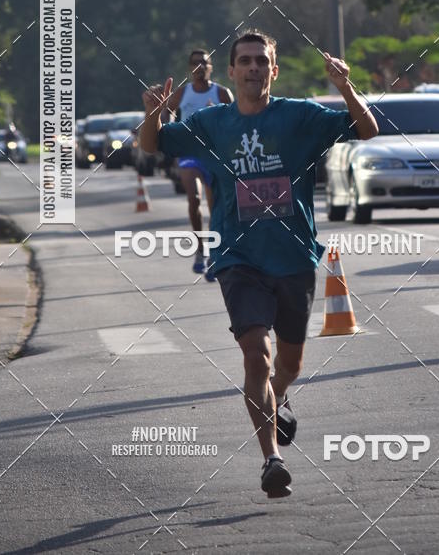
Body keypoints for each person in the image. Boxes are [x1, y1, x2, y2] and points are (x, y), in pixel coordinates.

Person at [140, 30, 379, 498]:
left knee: (288, 364)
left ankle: (279, 393)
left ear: (274, 70)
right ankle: (272, 458)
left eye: (261, 61)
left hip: (293, 258)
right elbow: (154, 144)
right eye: (245, 61)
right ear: (231, 71)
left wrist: (345, 87)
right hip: (238, 257)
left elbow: (367, 129)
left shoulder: (299, 116)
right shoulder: (212, 123)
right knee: (256, 353)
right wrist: (152, 111)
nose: (253, 67)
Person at [162, 49, 233, 278]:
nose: (200, 66)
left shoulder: (221, 93)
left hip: (213, 154)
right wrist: (169, 133)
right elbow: (167, 113)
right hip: (189, 153)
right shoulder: (183, 92)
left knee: (214, 208)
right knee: (193, 199)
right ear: (190, 67)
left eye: (204, 62)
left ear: (211, 67)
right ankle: (200, 250)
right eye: (195, 63)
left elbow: (235, 119)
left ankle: (213, 254)